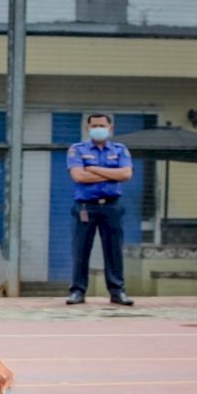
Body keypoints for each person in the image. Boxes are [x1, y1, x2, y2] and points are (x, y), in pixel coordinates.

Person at [66, 113, 135, 306]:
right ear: (88, 128)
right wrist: (112, 175)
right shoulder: (77, 149)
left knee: (113, 250)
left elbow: (126, 173)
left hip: (112, 206)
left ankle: (117, 292)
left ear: (110, 128)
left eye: (102, 125)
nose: (98, 128)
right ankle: (77, 292)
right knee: (81, 249)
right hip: (85, 207)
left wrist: (93, 168)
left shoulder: (120, 149)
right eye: (94, 125)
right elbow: (79, 177)